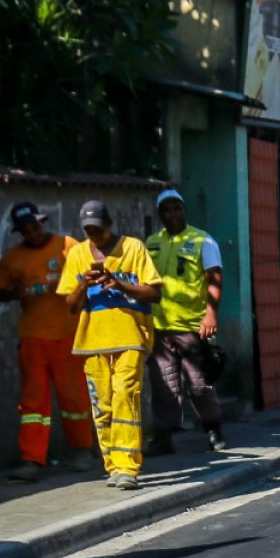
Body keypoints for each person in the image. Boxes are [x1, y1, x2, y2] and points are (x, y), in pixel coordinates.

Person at [58, 201, 163, 489]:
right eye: (89, 231)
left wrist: (119, 284)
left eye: (99, 230)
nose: (95, 236)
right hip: (92, 341)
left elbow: (154, 293)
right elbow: (69, 305)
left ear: (110, 225)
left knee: (125, 396)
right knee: (102, 405)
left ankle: (128, 467)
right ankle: (112, 465)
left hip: (131, 336)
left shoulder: (133, 248)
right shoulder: (78, 254)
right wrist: (83, 285)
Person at [0, 201, 96, 482]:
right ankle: (32, 459)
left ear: (42, 222)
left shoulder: (67, 245)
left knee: (74, 396)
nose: (32, 234)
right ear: (20, 233)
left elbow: (88, 274)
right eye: (25, 231)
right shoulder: (13, 258)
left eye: (35, 227)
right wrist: (18, 293)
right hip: (33, 337)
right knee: (33, 402)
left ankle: (82, 449)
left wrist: (64, 284)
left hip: (68, 334)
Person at [144, 188, 225, 456]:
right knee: (164, 384)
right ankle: (164, 438)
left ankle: (213, 430)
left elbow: (214, 279)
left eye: (176, 208)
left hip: (192, 326)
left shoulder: (203, 240)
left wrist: (211, 314)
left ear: (184, 210)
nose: (172, 214)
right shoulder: (151, 243)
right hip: (160, 326)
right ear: (160, 214)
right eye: (166, 210)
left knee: (199, 384)